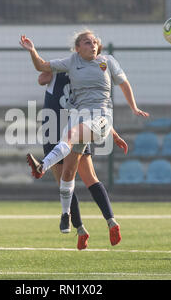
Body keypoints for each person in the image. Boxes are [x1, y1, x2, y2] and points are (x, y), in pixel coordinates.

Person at [20, 30, 149, 243]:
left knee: (85, 172)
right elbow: (41, 71)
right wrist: (32, 50)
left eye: (94, 42)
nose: (93, 45)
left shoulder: (105, 62)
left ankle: (42, 167)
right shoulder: (70, 64)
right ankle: (76, 223)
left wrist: (131, 110)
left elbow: (118, 88)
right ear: (77, 48)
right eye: (87, 42)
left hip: (91, 120)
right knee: (66, 175)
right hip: (66, 122)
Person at [38, 68, 128, 249]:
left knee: (83, 177)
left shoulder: (87, 78)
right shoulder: (58, 71)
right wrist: (32, 52)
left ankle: (108, 222)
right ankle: (82, 229)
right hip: (53, 130)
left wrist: (113, 133)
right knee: (67, 180)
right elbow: (41, 74)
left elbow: (96, 110)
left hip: (76, 129)